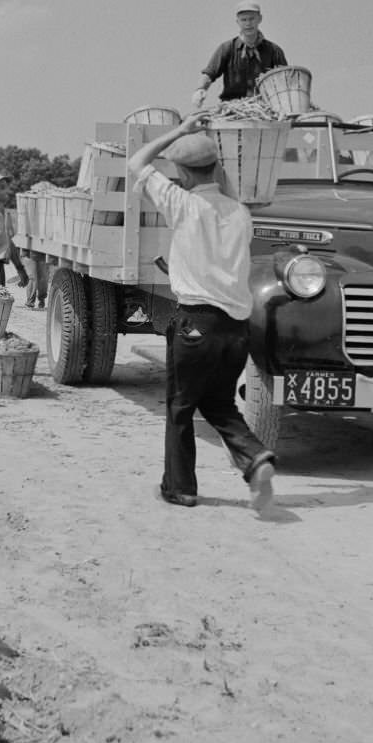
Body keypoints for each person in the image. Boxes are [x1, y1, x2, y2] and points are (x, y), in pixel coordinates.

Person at [126, 113, 275, 513]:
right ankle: (255, 457)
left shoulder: (182, 204)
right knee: (220, 404)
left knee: (181, 407)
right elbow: (215, 186)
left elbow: (136, 163)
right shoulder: (241, 213)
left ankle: (180, 488)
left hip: (195, 323)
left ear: (184, 175)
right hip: (236, 329)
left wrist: (180, 131)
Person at [191, 0, 287, 107]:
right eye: (244, 20)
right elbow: (209, 74)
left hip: (265, 108)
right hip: (232, 108)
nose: (248, 23)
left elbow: (285, 80)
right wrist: (200, 90)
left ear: (260, 19)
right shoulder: (226, 48)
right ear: (237, 22)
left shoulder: (274, 51)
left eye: (251, 19)